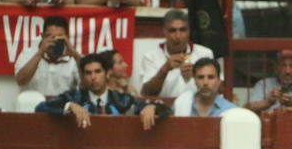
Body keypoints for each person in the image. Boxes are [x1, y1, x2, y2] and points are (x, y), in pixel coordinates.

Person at [35, 53, 169, 130]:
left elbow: (167, 110)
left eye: (98, 71)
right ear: (83, 76)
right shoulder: (74, 97)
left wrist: (152, 107)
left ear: (107, 74)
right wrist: (69, 106)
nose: (93, 77)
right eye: (88, 73)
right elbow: (40, 107)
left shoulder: (122, 99)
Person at [139, 9, 215, 98]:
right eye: (172, 30)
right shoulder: (151, 57)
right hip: (163, 108)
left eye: (183, 30)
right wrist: (165, 69)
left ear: (189, 31)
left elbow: (219, 89)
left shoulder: (205, 54)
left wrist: (197, 76)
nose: (178, 36)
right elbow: (146, 93)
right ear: (164, 32)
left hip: (196, 108)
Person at [14, 16, 80, 96]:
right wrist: (40, 53)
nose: (54, 41)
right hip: (32, 106)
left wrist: (75, 54)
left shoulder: (74, 57)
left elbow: (88, 85)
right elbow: (21, 81)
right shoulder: (29, 53)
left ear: (67, 37)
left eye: (59, 37)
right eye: (50, 37)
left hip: (62, 106)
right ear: (42, 36)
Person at [245, 49, 292, 113]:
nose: (288, 71)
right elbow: (246, 108)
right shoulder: (264, 84)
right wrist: (268, 102)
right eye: (283, 66)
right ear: (276, 68)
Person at [173, 58, 237, 117]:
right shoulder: (182, 103)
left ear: (218, 81)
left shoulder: (230, 110)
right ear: (195, 80)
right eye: (200, 77)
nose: (205, 83)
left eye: (211, 77)